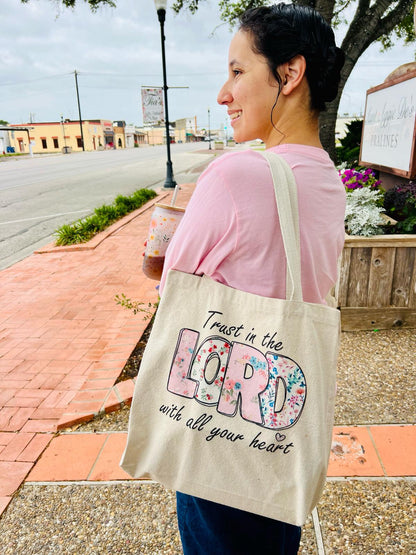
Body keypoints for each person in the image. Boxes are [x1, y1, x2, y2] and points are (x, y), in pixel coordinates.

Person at [159, 3, 345, 553]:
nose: (223, 93)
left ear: (289, 74)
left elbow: (174, 287)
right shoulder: (329, 180)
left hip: (223, 423)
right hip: (284, 424)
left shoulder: (239, 173)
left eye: (239, 71)